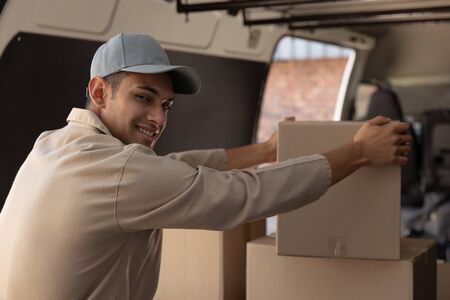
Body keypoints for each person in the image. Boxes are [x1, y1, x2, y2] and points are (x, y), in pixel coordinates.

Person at [0, 33, 412, 300]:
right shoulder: (120, 171)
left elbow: (173, 169)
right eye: (143, 97)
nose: (159, 118)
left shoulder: (52, 146)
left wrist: (265, 151)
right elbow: (244, 195)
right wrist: (357, 154)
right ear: (99, 91)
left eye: (165, 105)